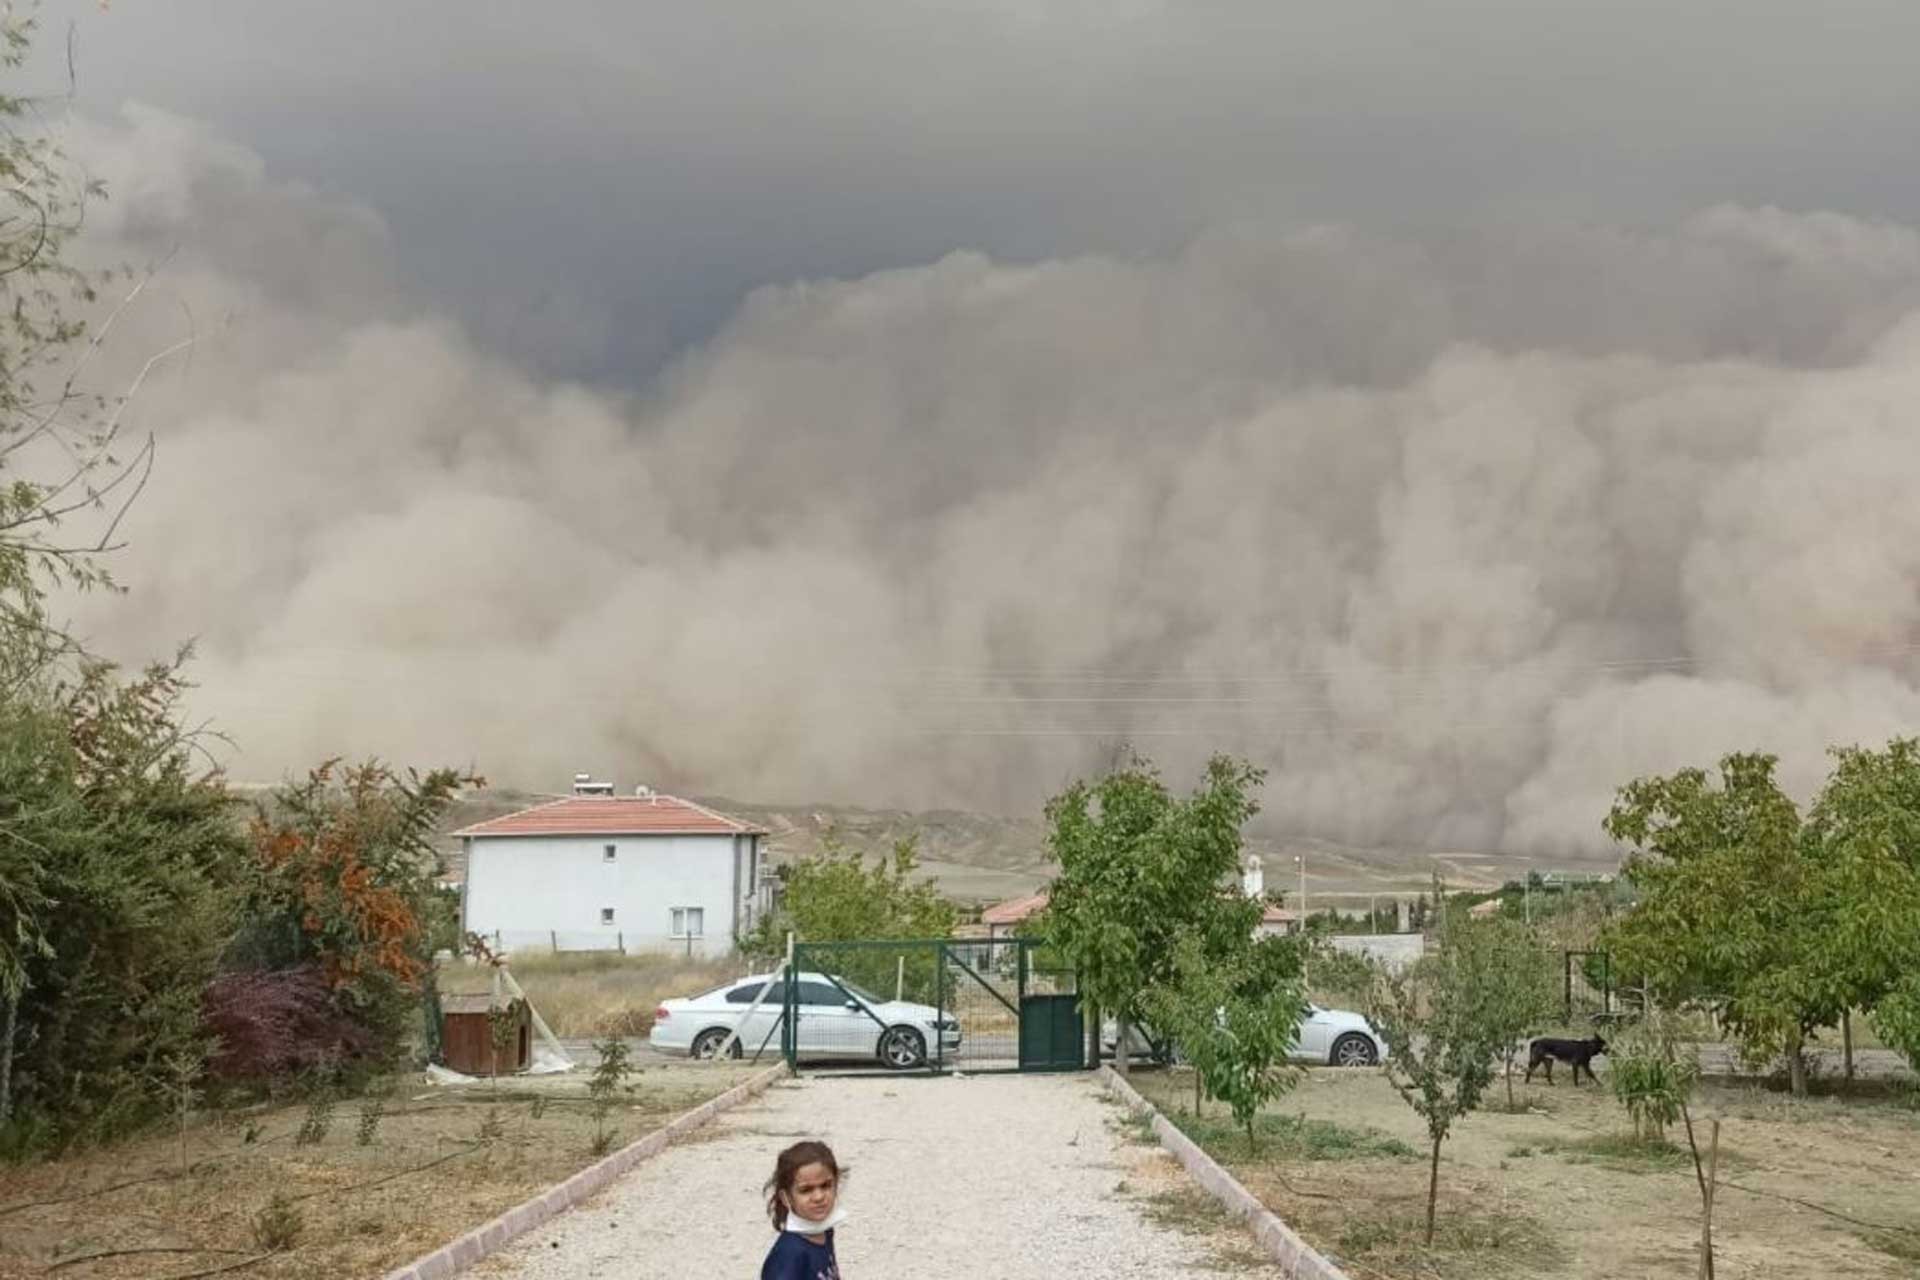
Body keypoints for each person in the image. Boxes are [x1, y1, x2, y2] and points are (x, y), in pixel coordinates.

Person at [760, 1139, 845, 1280]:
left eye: (825, 1186)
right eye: (806, 1190)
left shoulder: (825, 1232)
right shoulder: (789, 1254)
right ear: (786, 1198)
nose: (818, 1197)